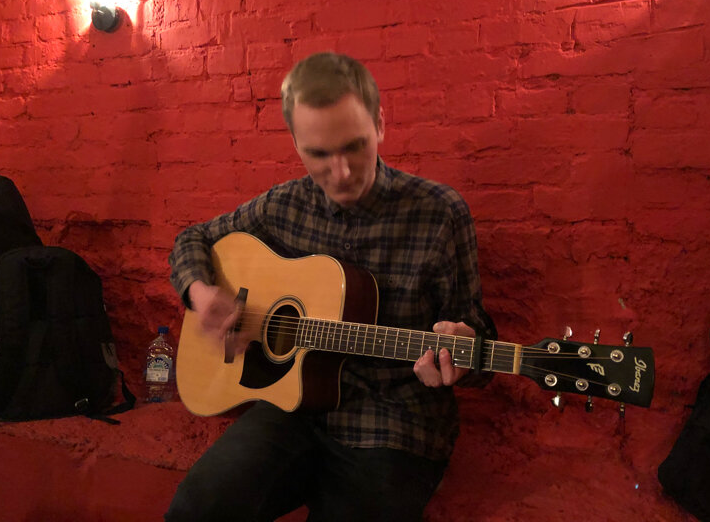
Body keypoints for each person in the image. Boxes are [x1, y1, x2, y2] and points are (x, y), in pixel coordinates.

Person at [166, 52, 496, 522]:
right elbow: (191, 239)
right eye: (319, 154)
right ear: (296, 142)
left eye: (355, 147)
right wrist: (202, 294)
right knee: (195, 509)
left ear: (380, 124)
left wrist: (461, 353)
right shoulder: (284, 205)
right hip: (292, 408)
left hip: (394, 420)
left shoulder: (440, 213)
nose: (340, 173)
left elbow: (476, 344)